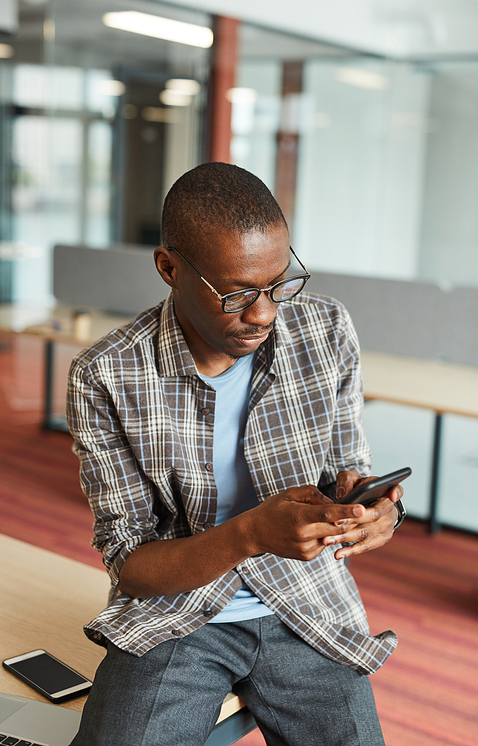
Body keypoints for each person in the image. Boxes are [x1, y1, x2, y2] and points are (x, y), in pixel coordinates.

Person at [67, 162, 405, 746]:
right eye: (238, 293)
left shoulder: (325, 328)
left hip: (307, 602)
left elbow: (348, 475)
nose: (265, 313)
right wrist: (249, 535)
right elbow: (133, 568)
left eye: (279, 284)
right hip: (176, 616)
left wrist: (378, 514)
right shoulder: (107, 375)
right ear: (169, 269)